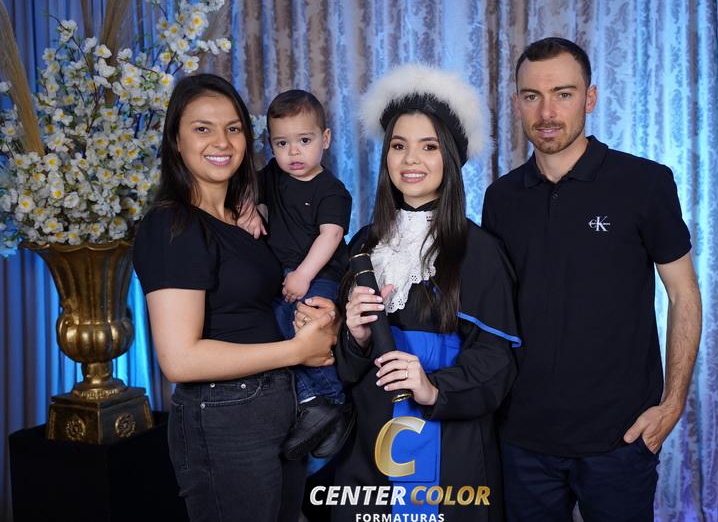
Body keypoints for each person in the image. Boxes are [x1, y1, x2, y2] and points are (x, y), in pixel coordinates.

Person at [482, 37, 702, 521]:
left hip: (620, 439)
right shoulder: (501, 198)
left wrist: (672, 404)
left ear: (590, 98)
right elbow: (492, 312)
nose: (547, 113)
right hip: (522, 439)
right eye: (532, 96)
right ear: (516, 103)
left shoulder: (645, 183)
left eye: (563, 94)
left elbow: (683, 293)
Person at [132, 74, 338, 522]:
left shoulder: (242, 218)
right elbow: (180, 360)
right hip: (224, 415)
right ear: (176, 141)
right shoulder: (172, 226)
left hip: (278, 404)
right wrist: (297, 350)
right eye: (202, 129)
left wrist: (322, 314)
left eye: (233, 128)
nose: (221, 142)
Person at [328, 64, 519, 522]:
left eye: (428, 146)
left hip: (450, 449)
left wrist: (432, 387)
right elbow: (346, 370)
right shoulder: (363, 244)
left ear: (450, 157)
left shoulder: (480, 250)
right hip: (369, 446)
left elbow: (497, 362)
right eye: (399, 146)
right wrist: (354, 338)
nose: (411, 159)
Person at [238, 90, 353, 460]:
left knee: (303, 324)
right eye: (282, 143)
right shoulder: (273, 175)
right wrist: (249, 207)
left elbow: (330, 236)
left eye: (304, 140)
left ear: (325, 139)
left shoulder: (331, 190)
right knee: (274, 328)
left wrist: (303, 275)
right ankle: (311, 402)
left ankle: (333, 401)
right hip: (284, 274)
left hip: (320, 274)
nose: (293, 153)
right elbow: (245, 186)